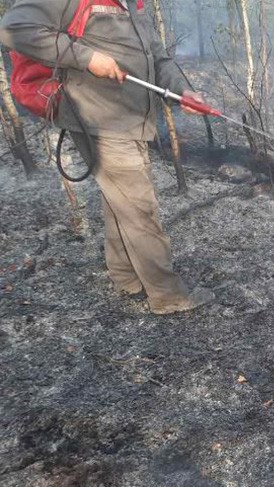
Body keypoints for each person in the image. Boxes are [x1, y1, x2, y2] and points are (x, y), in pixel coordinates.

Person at [0, 0, 214, 314]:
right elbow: (12, 29)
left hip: (131, 120)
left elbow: (157, 55)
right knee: (139, 207)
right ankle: (168, 296)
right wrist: (86, 57)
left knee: (122, 200)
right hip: (98, 119)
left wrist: (183, 91)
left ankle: (126, 278)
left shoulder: (131, 3)